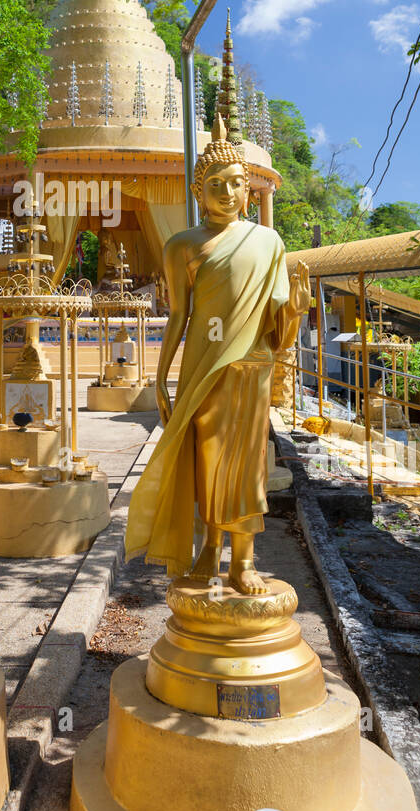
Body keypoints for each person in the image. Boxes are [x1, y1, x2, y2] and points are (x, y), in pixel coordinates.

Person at [125, 114, 310, 593]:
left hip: (251, 369)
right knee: (207, 461)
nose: (227, 194)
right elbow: (179, 316)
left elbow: (276, 320)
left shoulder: (268, 241)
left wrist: (297, 308)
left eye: (236, 184)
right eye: (216, 185)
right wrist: (162, 377)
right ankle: (209, 547)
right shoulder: (182, 245)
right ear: (196, 190)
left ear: (249, 189)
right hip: (203, 369)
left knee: (247, 465)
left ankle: (244, 561)